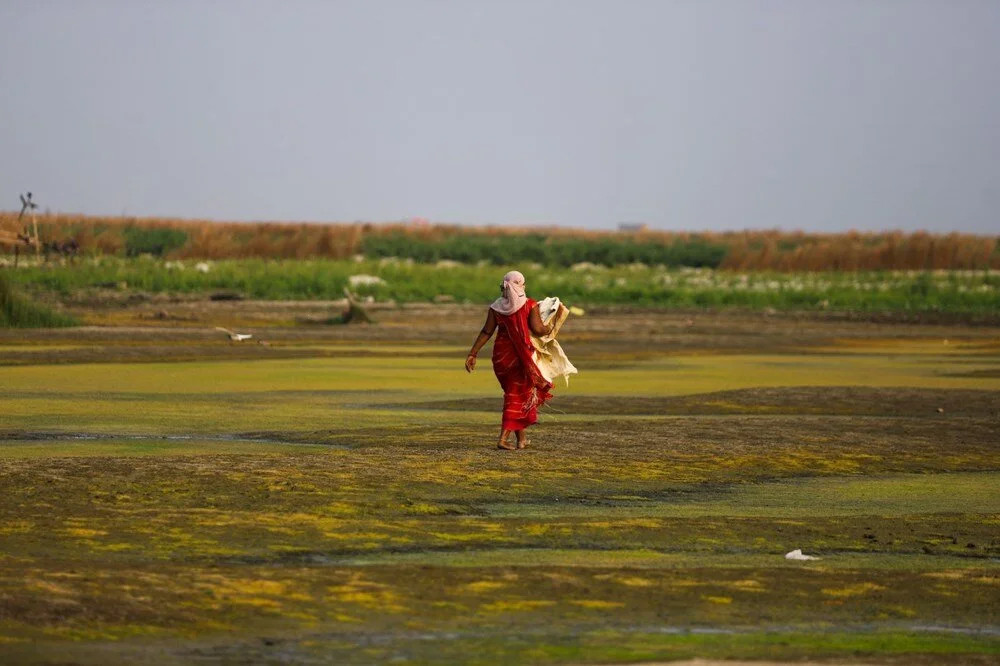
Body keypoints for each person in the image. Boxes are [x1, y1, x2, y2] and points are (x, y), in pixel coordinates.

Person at [465, 270, 564, 450]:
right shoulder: (529, 305)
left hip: (501, 358)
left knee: (518, 393)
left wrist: (473, 353)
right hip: (519, 358)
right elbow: (539, 330)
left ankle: (522, 440)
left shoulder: (496, 308)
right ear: (520, 285)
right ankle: (503, 439)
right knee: (516, 394)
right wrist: (553, 322)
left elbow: (486, 332)